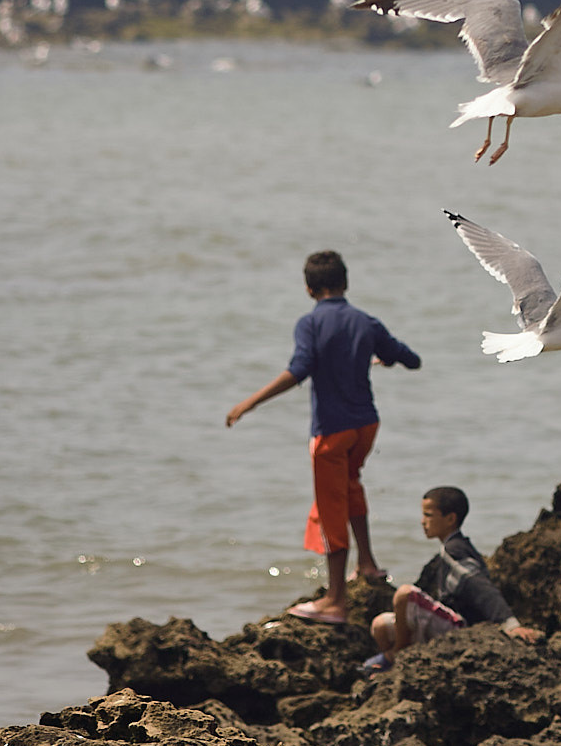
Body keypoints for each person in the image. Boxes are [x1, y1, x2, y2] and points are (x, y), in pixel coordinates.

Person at [225, 249, 421, 625]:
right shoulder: (366, 322)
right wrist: (386, 358)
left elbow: (299, 370)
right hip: (366, 426)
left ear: (309, 288)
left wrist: (249, 402)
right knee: (350, 485)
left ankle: (335, 601)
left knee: (330, 509)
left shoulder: (310, 324)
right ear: (345, 283)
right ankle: (367, 564)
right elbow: (410, 358)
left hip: (332, 431)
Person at [365, 485, 543, 672]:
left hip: (462, 629)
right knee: (380, 625)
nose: (422, 521)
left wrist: (510, 624)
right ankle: (395, 668)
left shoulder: (455, 550)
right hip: (445, 623)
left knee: (405, 594)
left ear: (450, 519)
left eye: (428, 515)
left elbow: (481, 587)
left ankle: (399, 655)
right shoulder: (450, 549)